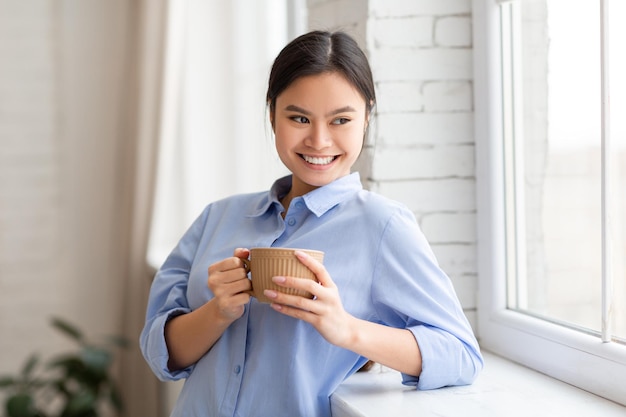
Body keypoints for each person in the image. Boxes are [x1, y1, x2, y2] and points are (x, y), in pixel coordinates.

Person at [140, 30, 483, 417]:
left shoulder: (383, 227)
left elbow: (461, 355)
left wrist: (346, 329)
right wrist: (218, 311)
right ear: (272, 114)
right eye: (299, 117)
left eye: (341, 120)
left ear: (366, 118)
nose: (319, 141)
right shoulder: (218, 218)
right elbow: (160, 355)